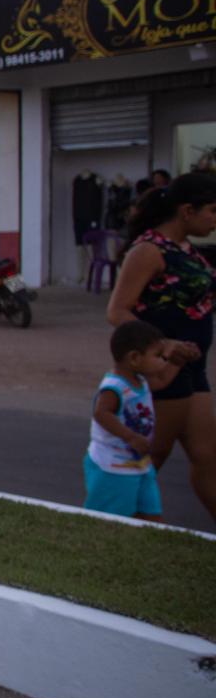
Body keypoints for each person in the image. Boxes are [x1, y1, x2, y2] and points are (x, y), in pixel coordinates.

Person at [107, 172, 216, 519]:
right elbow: (117, 311)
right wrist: (163, 345)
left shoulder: (193, 253)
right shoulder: (148, 251)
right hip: (160, 370)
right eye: (212, 211)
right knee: (150, 457)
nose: (215, 219)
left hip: (193, 368)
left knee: (207, 457)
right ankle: (113, 524)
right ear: (187, 211)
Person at [86, 321, 176, 520]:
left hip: (139, 464)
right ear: (134, 358)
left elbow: (162, 380)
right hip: (114, 467)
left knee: (150, 516)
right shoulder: (115, 386)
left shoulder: (141, 379)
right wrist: (131, 437)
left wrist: (180, 360)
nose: (163, 361)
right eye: (158, 356)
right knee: (110, 519)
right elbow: (102, 413)